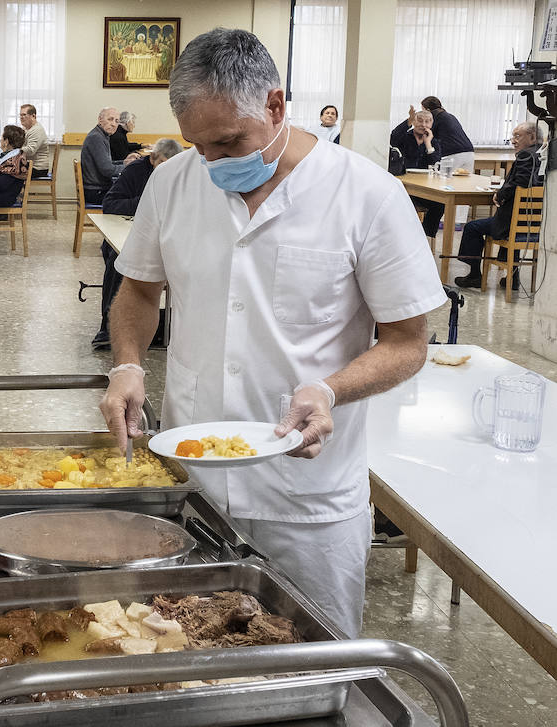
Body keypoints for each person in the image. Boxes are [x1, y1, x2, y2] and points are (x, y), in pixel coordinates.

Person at [100, 28, 443, 638]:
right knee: (181, 658)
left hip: (305, 500)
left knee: (310, 670)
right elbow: (139, 289)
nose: (212, 161)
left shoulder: (367, 196)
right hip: (192, 488)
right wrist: (127, 363)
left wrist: (332, 389)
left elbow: (407, 342)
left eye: (229, 141)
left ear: (276, 106)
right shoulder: (174, 183)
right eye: (198, 145)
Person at [91, 139, 184, 351]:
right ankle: (107, 326)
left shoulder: (182, 176)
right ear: (152, 159)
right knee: (120, 258)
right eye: (163, 164)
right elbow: (110, 204)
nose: (168, 171)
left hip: (167, 236)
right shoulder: (135, 171)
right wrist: (146, 204)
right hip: (129, 233)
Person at [454, 121, 545, 290]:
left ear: (532, 137)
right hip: (534, 223)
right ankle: (512, 276)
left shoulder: (526, 156)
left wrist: (500, 194)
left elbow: (522, 182)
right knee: (510, 221)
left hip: (512, 223)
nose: (513, 140)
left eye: (517, 136)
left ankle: (474, 275)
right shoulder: (542, 154)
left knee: (473, 227)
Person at [390, 109, 444, 240]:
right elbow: (393, 137)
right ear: (414, 122)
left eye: (427, 121)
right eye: (419, 120)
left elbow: (436, 164)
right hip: (405, 186)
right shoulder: (405, 137)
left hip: (424, 186)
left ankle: (425, 237)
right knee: (404, 206)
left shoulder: (434, 141)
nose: (423, 124)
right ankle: (405, 237)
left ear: (432, 124)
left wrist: (428, 143)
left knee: (439, 203)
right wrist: (408, 120)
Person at [81, 107, 133, 204]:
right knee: (134, 198)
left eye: (117, 121)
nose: (113, 124)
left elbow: (106, 164)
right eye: (110, 119)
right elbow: (107, 170)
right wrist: (128, 166)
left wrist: (124, 162)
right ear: (100, 119)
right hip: (96, 192)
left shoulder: (102, 135)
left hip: (97, 189)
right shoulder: (96, 138)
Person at [418, 96, 474, 171]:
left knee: (444, 181)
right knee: (464, 182)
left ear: (428, 110)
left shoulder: (434, 118)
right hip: (469, 153)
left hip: (452, 154)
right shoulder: (450, 116)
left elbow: (426, 136)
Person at [18, 104, 51, 179]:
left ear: (33, 116)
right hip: (31, 165)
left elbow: (30, 150)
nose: (21, 117)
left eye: (24, 115)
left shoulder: (37, 130)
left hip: (38, 169)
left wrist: (14, 151)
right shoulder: (27, 129)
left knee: (9, 171)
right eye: (20, 115)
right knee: (6, 168)